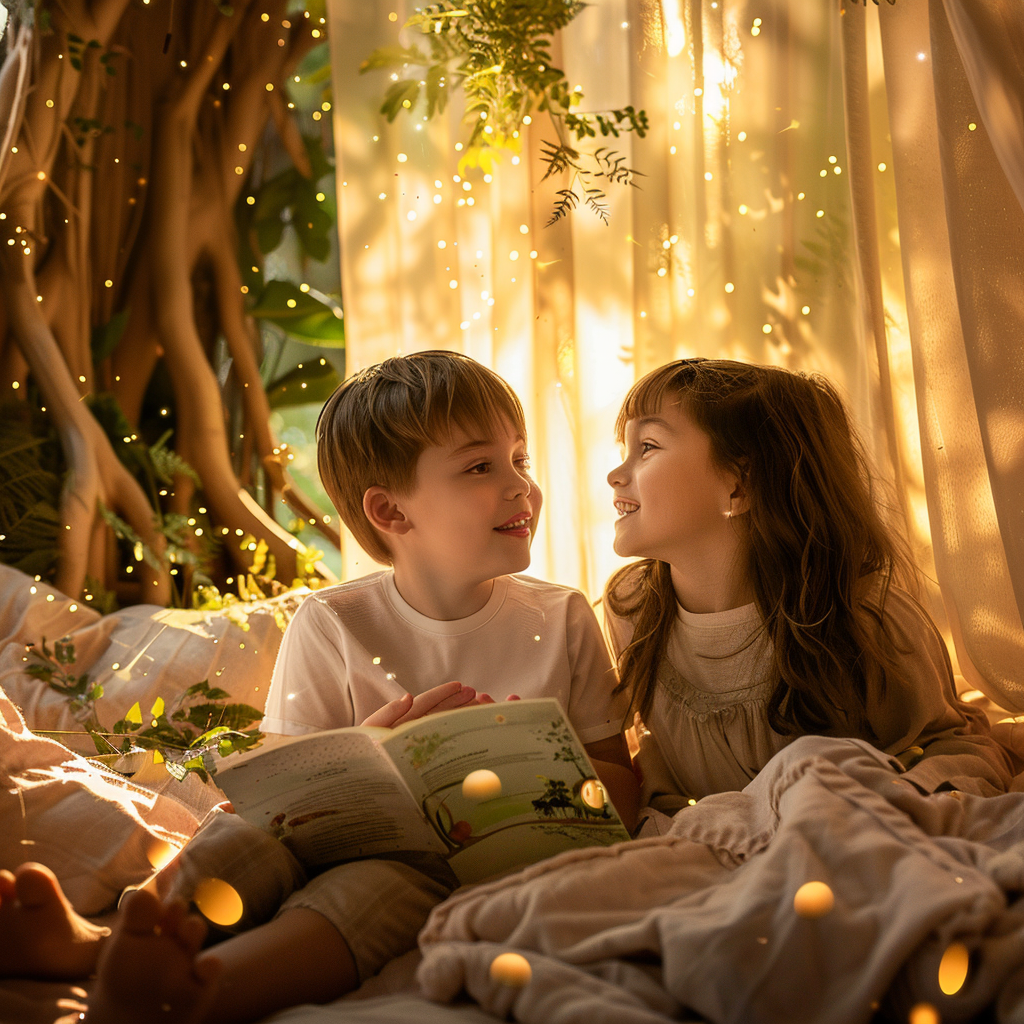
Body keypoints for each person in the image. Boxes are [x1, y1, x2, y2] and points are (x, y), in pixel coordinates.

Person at [1, 351, 637, 1024]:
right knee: (242, 838)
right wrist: (369, 745)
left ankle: (195, 995)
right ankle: (104, 943)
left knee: (374, 894)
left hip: (460, 867)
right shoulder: (332, 621)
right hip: (331, 835)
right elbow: (281, 789)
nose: (521, 488)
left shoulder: (562, 615)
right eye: (483, 466)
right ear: (390, 511)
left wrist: (515, 765)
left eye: (521, 460)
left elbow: (624, 786)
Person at [602, 357, 1018, 820]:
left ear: (738, 486)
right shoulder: (634, 609)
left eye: (648, 447)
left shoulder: (865, 621)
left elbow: (953, 749)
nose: (616, 475)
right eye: (626, 448)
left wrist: (875, 807)